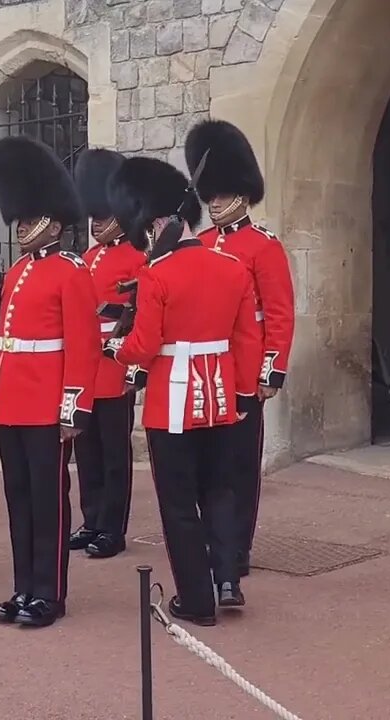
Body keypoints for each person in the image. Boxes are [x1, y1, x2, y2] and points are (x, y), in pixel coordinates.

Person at [103, 155, 262, 626]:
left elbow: (145, 345)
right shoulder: (233, 267)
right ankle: (226, 577)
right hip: (220, 396)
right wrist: (242, 394)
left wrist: (116, 348)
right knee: (219, 490)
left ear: (155, 224)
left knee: (178, 502)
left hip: (172, 400)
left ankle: (196, 601)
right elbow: (247, 340)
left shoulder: (158, 273)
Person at [0, 135, 99, 628]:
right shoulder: (15, 273)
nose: (23, 226)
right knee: (19, 497)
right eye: (21, 219)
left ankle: (49, 592)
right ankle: (24, 586)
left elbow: (83, 346)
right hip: (13, 402)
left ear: (51, 222)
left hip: (49, 404)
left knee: (49, 501)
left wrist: (73, 407)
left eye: (29, 220)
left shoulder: (71, 273)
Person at [185, 119, 296, 578]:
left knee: (239, 466)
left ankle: (237, 548)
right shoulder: (201, 244)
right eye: (208, 195)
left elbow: (279, 313)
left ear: (243, 195)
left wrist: (272, 370)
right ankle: (213, 539)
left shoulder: (263, 246)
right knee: (205, 465)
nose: (213, 203)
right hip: (204, 370)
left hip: (245, 371)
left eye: (220, 194)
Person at [67, 148, 147, 560]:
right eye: (93, 215)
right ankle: (92, 519)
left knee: (115, 453)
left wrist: (133, 367)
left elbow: (140, 317)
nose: (95, 222)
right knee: (88, 450)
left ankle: (113, 528)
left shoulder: (137, 256)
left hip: (116, 367)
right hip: (86, 369)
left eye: (102, 214)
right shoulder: (87, 258)